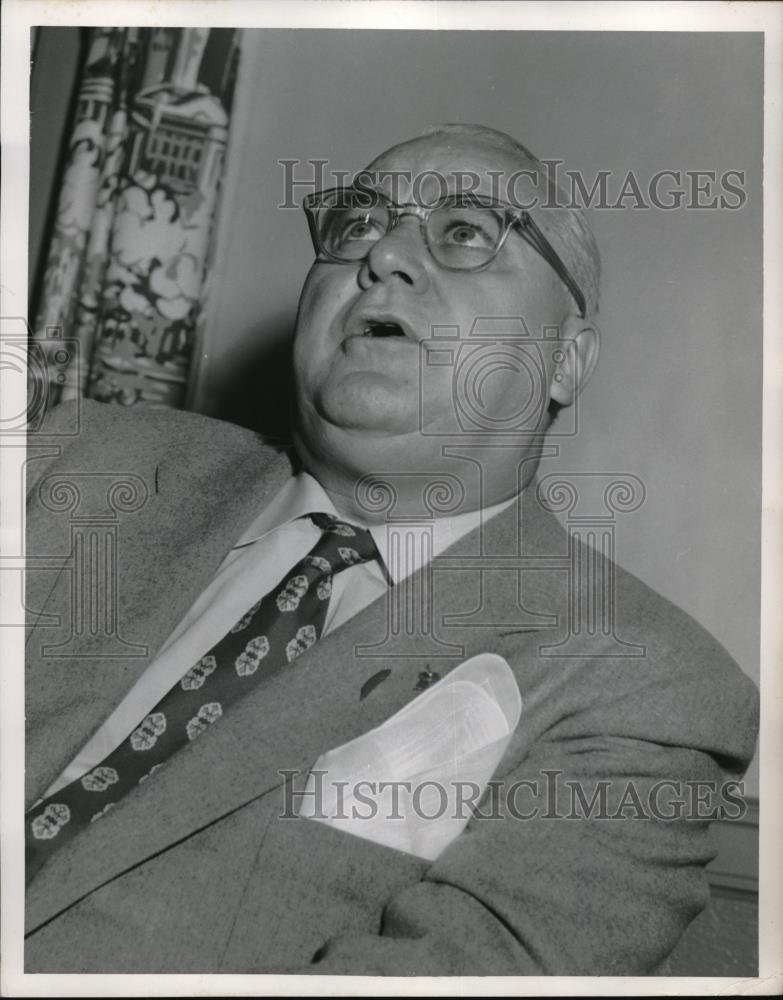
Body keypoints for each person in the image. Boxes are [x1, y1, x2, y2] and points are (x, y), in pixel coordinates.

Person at [24, 124, 758, 975]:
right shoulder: (79, 459)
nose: (381, 257)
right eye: (357, 224)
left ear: (565, 361)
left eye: (465, 231)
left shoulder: (642, 685)